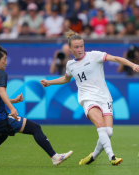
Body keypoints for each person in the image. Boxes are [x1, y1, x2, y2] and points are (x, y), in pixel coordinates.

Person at [40, 29, 139, 166]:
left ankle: (93, 156)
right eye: (76, 47)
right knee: (100, 124)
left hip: (104, 97)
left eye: (81, 46)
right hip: (87, 99)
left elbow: (115, 58)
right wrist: (50, 82)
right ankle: (112, 157)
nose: (80, 49)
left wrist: (133, 64)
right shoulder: (70, 65)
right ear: (70, 48)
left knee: (108, 132)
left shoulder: (94, 56)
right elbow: (66, 78)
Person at [0, 43, 73, 167]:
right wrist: (12, 107)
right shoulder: (1, 74)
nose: (6, 62)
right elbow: (1, 92)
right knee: (35, 128)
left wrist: (13, 101)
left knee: (2, 135)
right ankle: (55, 157)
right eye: (4, 59)